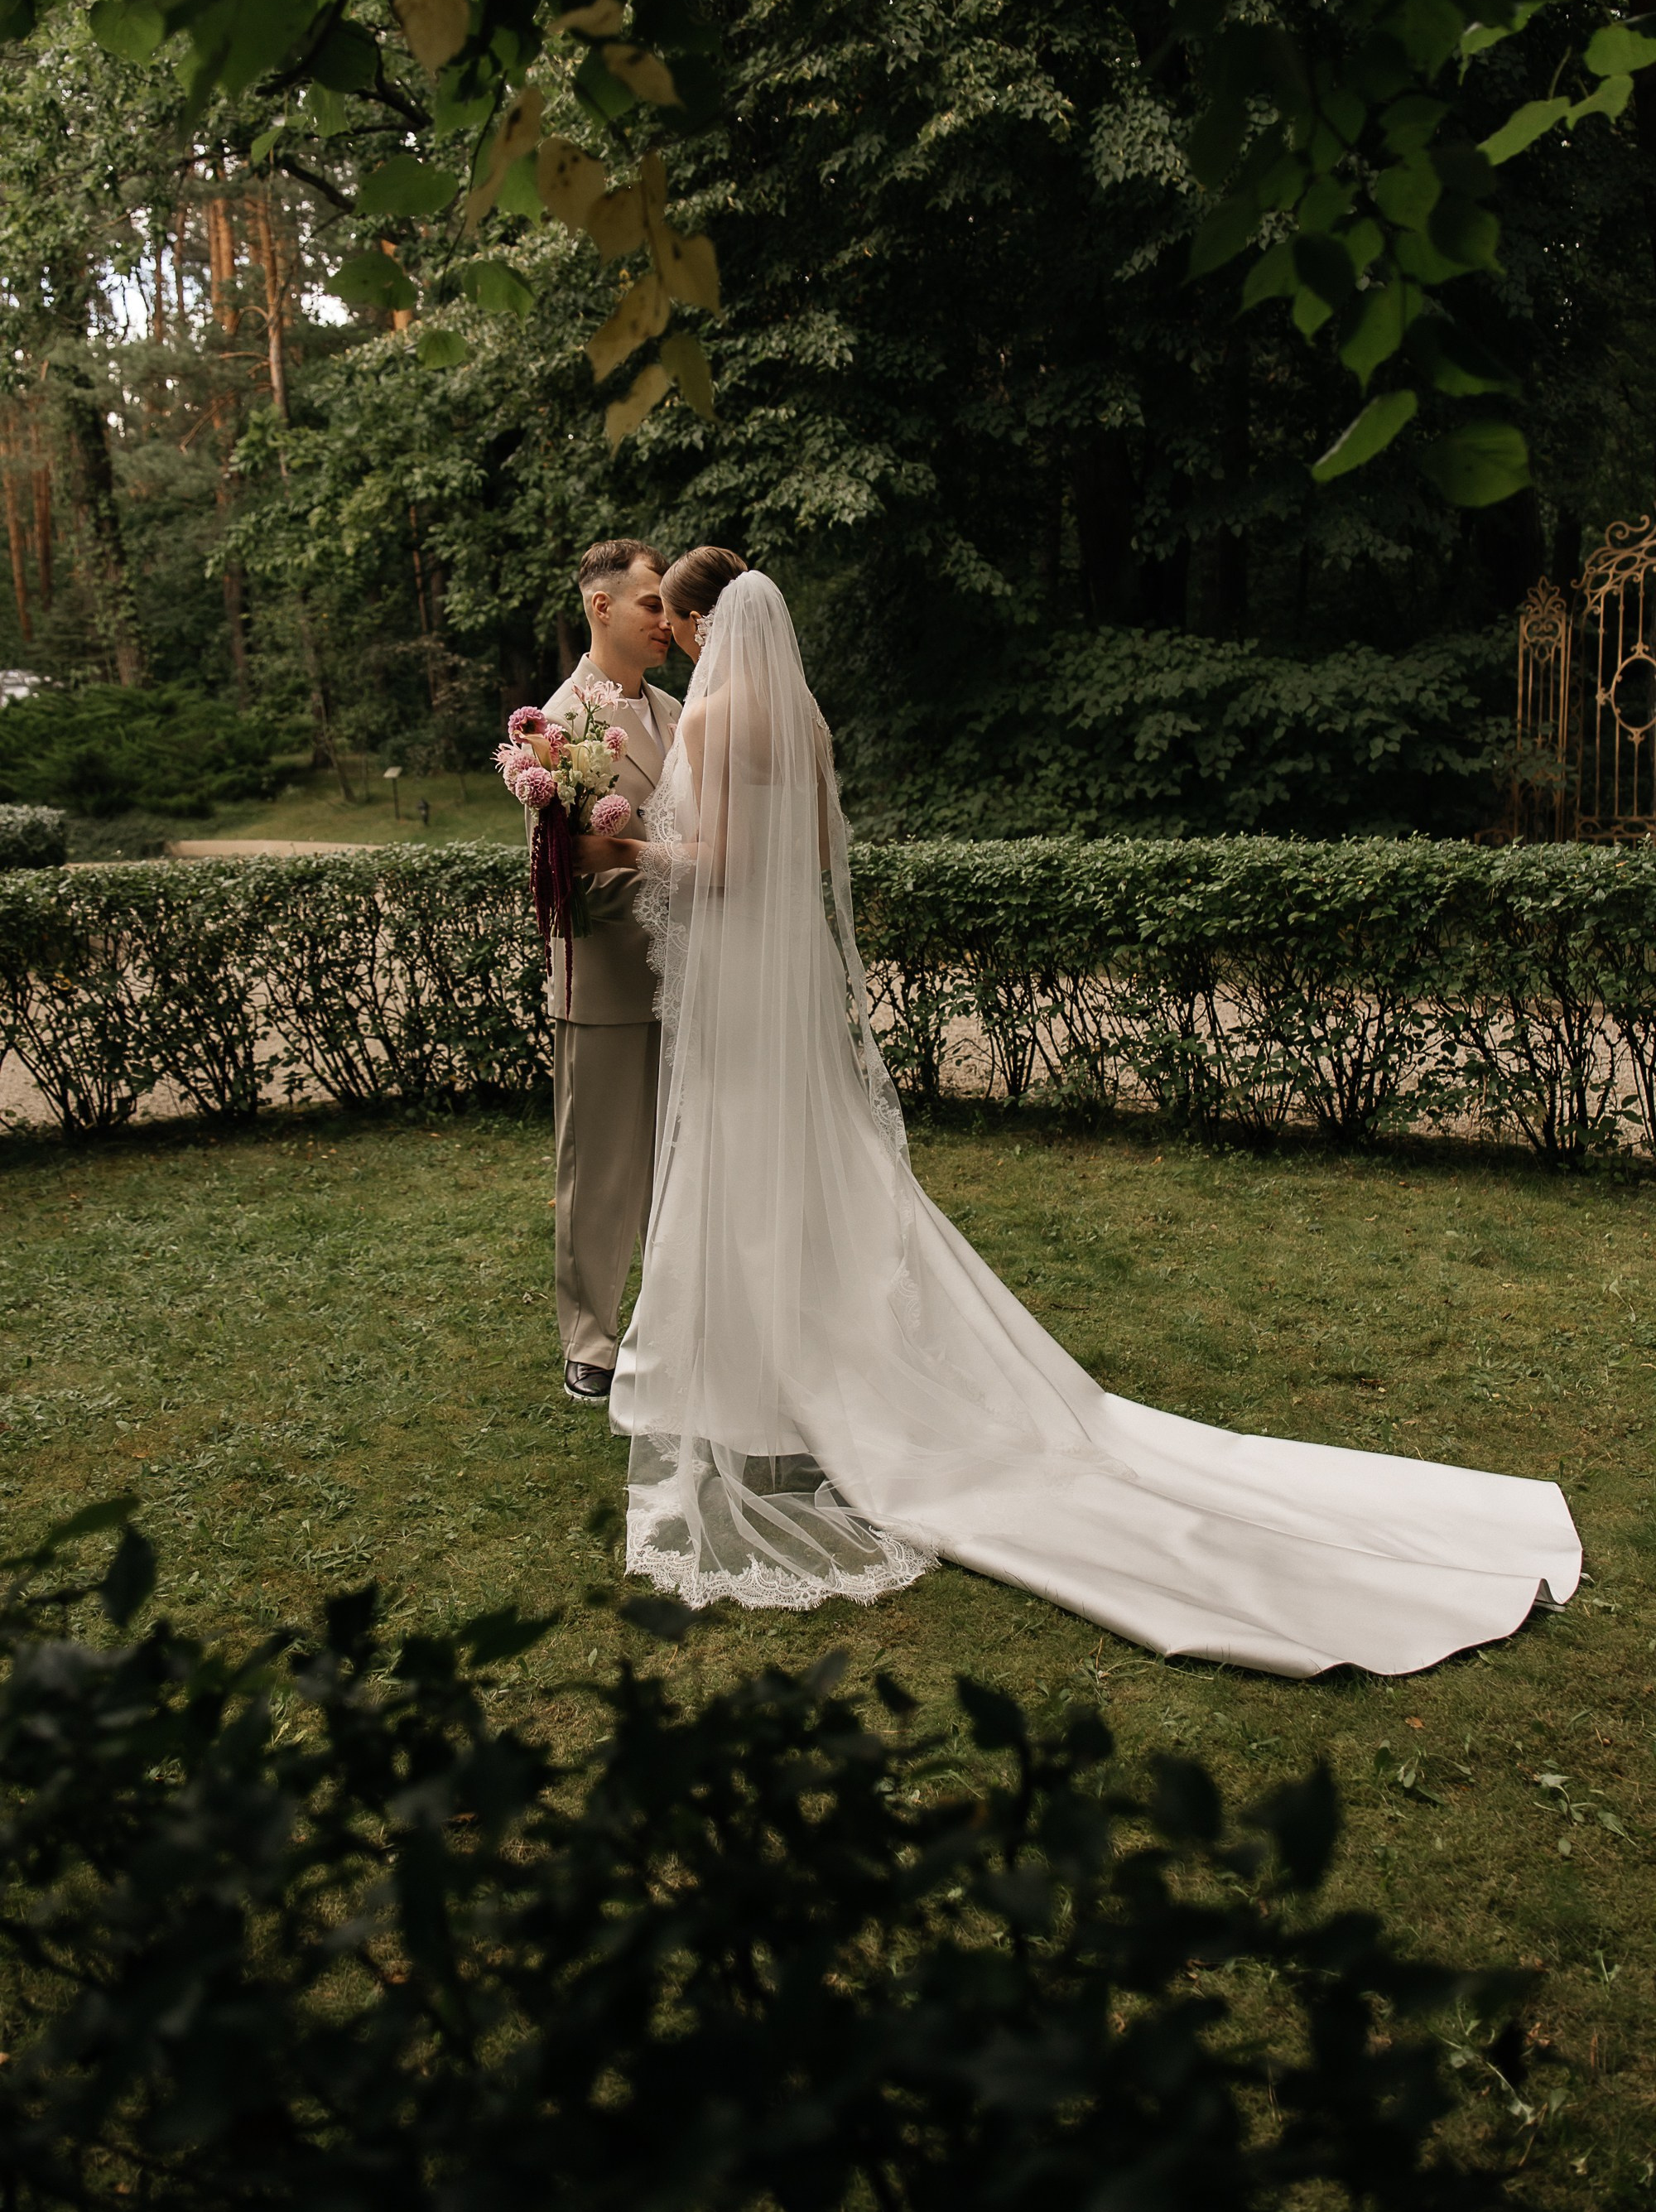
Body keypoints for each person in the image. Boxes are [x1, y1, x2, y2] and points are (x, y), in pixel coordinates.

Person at [575, 561, 1581, 1678]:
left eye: (676, 612)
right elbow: (809, 857)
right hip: (795, 982)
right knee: (817, 1165)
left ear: (706, 620)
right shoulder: (803, 716)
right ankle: (807, 1367)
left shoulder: (710, 716)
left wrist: (623, 850)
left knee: (739, 1158)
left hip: (739, 985)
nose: (667, 627)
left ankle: (758, 1384)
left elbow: (714, 868)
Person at [540, 538, 681, 1402]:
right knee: (599, 1171)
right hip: (606, 980)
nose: (665, 621)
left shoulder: (674, 710)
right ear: (600, 606)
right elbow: (562, 873)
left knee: (681, 1162)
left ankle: (671, 1321)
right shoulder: (554, 726)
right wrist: (684, 872)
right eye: (650, 605)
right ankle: (587, 1339)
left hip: (692, 975)